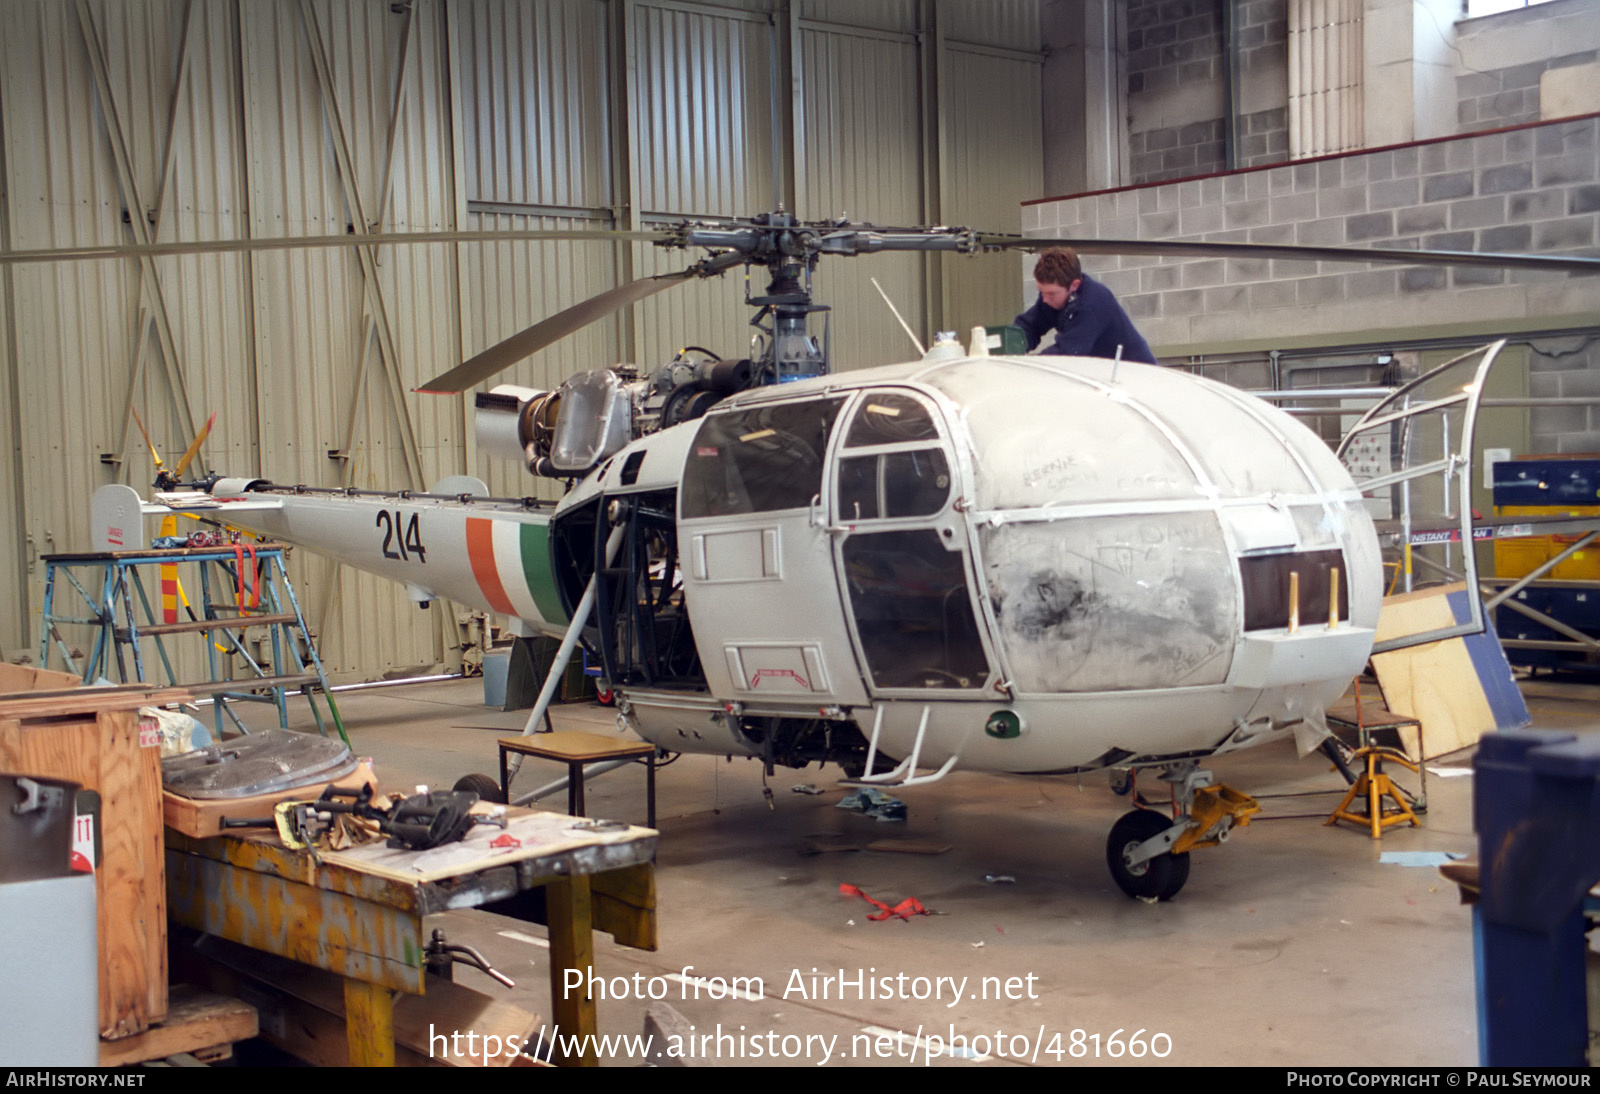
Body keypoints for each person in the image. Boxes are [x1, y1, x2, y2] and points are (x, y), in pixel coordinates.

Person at [1015, 248, 1158, 365]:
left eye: (1051, 293)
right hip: (1103, 373)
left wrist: (1029, 367)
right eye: (1041, 292)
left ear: (1074, 285)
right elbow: (1030, 326)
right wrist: (1010, 344)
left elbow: (1066, 354)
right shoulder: (1053, 298)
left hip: (1136, 375)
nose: (1044, 299)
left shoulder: (1090, 306)